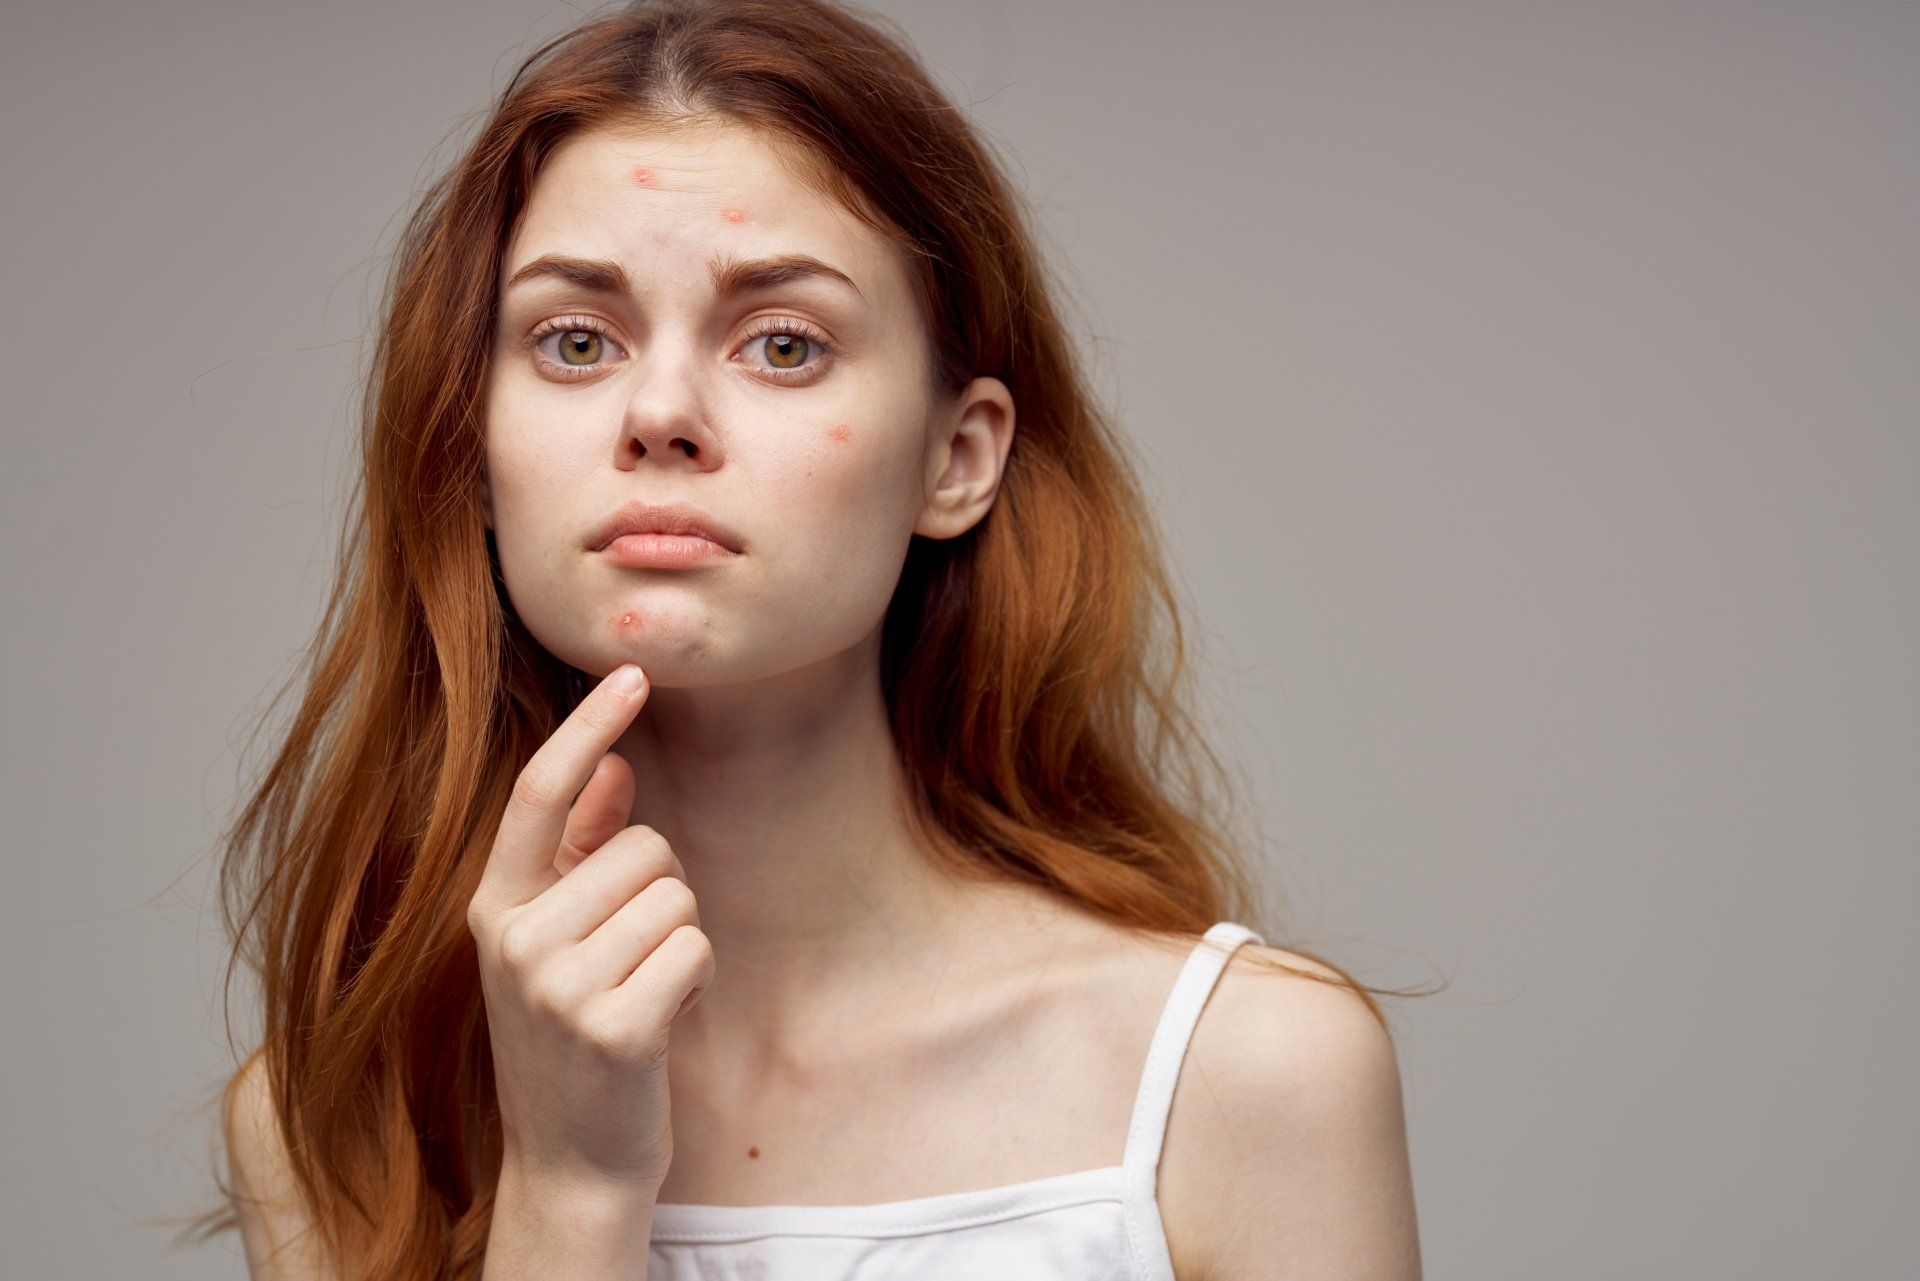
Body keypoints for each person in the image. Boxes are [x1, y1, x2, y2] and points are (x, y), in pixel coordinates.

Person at [199, 1, 1422, 1277]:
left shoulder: (1251, 1075)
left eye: (783, 343)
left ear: (957, 460)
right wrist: (568, 1187)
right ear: (475, 448)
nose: (660, 411)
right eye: (576, 341)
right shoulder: (330, 1121)